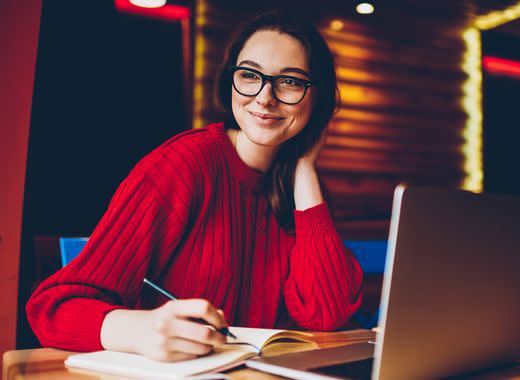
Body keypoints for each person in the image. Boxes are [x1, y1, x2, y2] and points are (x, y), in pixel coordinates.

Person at [26, 11, 363, 362]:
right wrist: (141, 331)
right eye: (249, 75)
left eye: (290, 82)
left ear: (317, 98)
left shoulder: (301, 187)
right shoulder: (183, 164)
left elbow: (327, 314)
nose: (265, 97)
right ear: (230, 81)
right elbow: (53, 307)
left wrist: (306, 169)